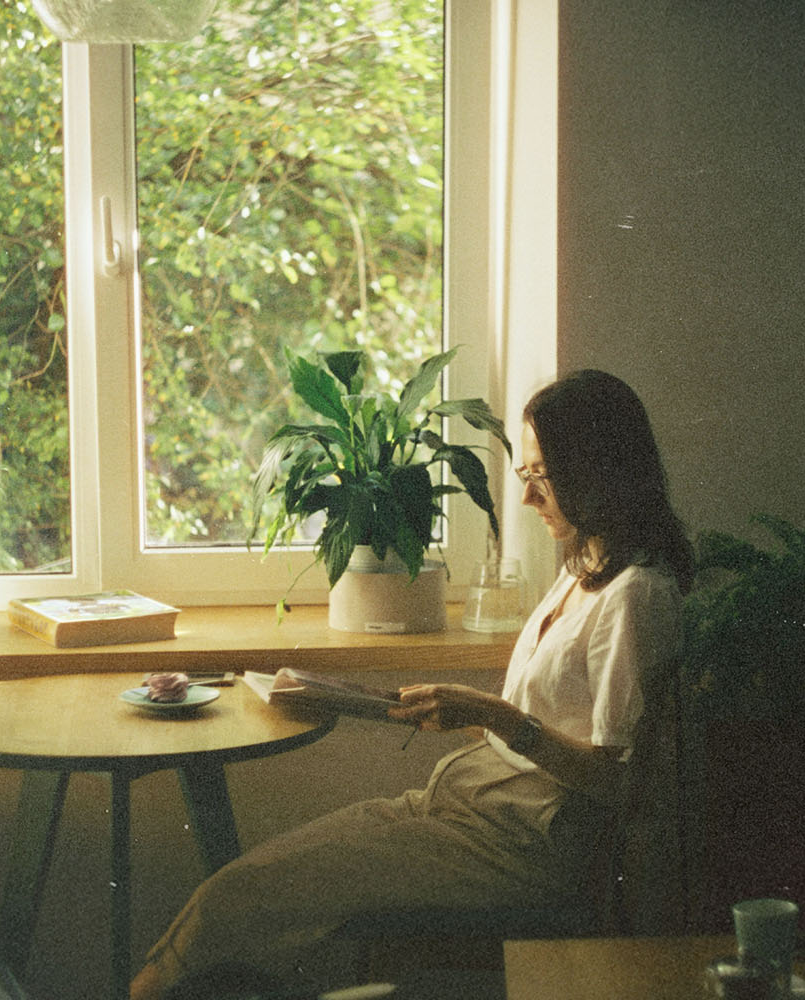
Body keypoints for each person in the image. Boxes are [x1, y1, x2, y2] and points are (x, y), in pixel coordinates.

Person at [131, 369, 693, 1000]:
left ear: (599, 471)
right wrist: (453, 711)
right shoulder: (583, 568)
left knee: (254, 893)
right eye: (526, 475)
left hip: (526, 841)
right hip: (469, 802)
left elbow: (619, 776)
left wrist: (498, 717)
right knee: (249, 881)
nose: (531, 497)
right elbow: (552, 710)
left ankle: (149, 991)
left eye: (544, 475)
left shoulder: (636, 595)